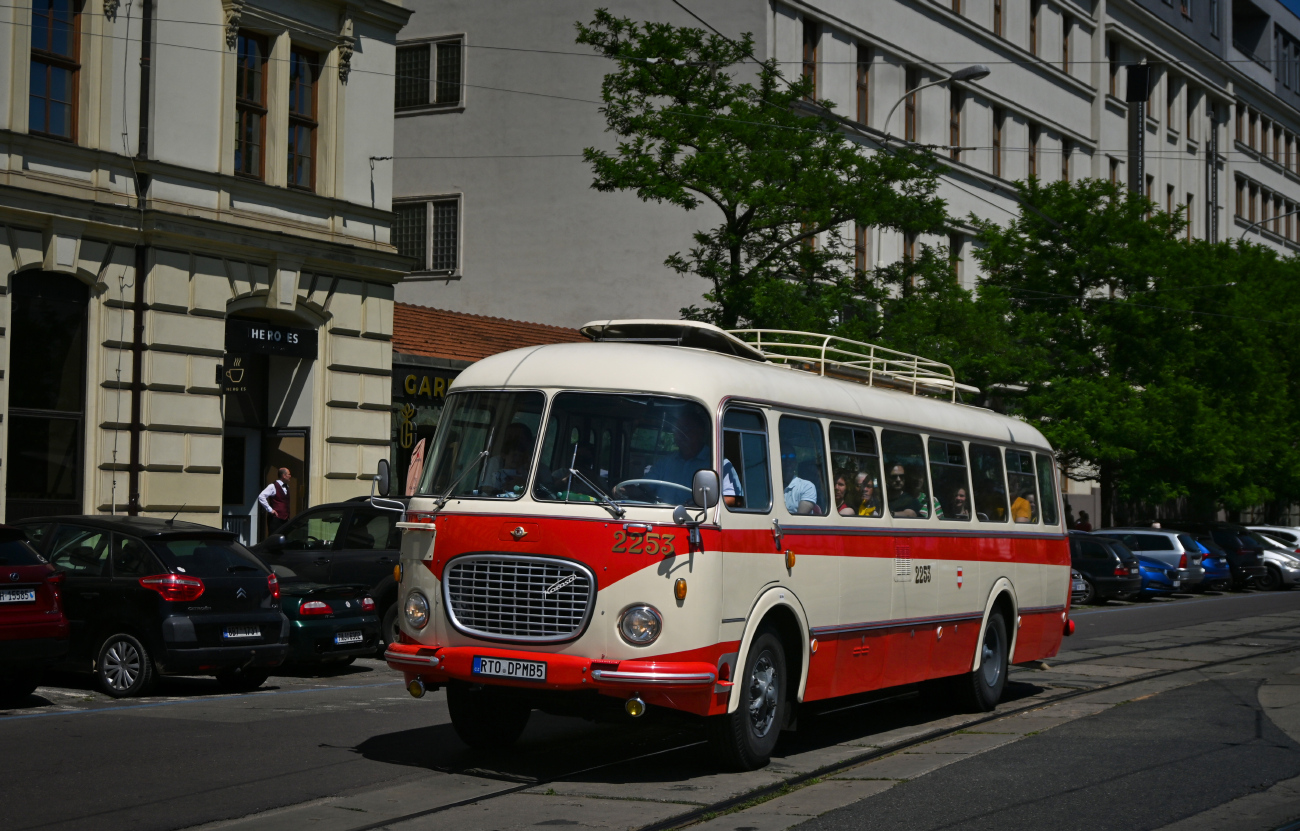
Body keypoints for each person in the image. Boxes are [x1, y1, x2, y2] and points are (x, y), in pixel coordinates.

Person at [623, 409, 741, 506]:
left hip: (697, 521)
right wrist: (623, 490)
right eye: (678, 430)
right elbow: (645, 487)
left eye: (686, 430)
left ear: (700, 433)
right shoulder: (665, 462)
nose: (681, 435)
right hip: (661, 518)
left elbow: (731, 498)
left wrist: (699, 505)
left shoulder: (718, 463)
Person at [258, 467, 292, 536]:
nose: (290, 476)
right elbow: (261, 496)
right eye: (289, 474)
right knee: (274, 538)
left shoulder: (287, 486)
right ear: (284, 475)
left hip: (285, 519)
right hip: (275, 519)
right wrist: (270, 510)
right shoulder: (273, 486)